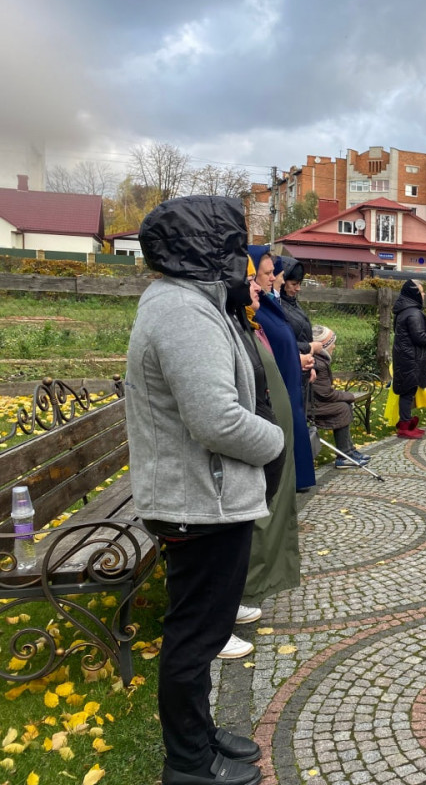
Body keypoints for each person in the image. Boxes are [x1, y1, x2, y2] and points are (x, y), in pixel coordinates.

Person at [128, 195, 283, 785]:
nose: (244, 263)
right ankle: (189, 762)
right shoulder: (183, 312)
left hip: (203, 496)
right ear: (207, 250)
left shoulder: (189, 301)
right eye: (235, 248)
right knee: (196, 637)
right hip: (197, 501)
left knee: (206, 629)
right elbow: (215, 420)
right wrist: (277, 442)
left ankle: (201, 733)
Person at [241, 262, 301, 626]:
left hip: (272, 431)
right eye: (252, 278)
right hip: (258, 437)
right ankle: (239, 594)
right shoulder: (237, 325)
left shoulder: (251, 321)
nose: (259, 286)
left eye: (259, 277)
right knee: (259, 513)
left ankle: (251, 587)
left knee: (272, 507)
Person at [248, 248, 317, 493]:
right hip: (275, 388)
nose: (273, 277)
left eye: (273, 273)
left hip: (291, 380)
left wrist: (298, 360)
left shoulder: (267, 303)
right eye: (267, 273)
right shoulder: (255, 307)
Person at [309, 324, 371, 467]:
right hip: (309, 405)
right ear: (324, 345)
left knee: (343, 406)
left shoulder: (319, 360)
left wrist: (345, 397)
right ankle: (344, 456)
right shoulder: (319, 363)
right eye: (333, 343)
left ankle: (348, 451)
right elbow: (325, 393)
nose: (334, 346)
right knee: (342, 408)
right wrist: (349, 396)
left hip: (312, 400)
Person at [392, 279, 426, 438]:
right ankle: (405, 426)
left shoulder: (403, 311)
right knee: (408, 392)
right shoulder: (414, 313)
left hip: (405, 356)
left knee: (408, 390)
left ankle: (406, 421)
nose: (424, 294)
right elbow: (420, 337)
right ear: (414, 293)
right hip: (411, 359)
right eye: (421, 291)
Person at [275, 256, 320, 358]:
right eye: (294, 284)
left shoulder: (291, 302)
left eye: (300, 283)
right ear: (282, 281)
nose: (298, 288)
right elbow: (280, 343)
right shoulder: (277, 306)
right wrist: (309, 347)